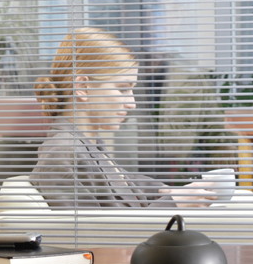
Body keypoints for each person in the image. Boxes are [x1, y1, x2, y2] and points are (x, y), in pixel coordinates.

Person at [29, 26, 216, 208]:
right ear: (82, 88)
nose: (131, 104)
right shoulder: (64, 152)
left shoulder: (88, 145)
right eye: (122, 89)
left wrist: (165, 192)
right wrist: (173, 203)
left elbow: (124, 183)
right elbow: (92, 234)